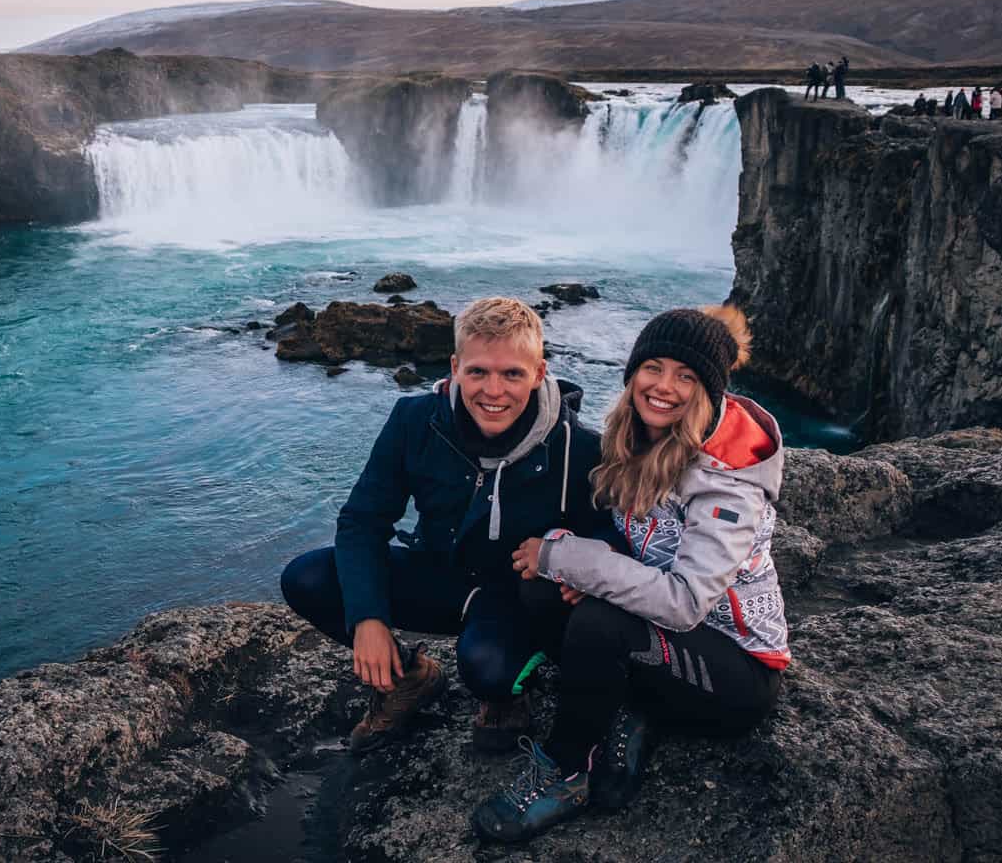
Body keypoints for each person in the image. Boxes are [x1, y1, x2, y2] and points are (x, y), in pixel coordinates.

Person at [472, 306, 789, 845]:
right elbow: (621, 545)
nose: (664, 387)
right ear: (633, 372)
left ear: (709, 391)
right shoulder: (637, 439)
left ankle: (567, 769)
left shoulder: (728, 484)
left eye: (687, 377)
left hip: (735, 672)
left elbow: (686, 602)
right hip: (663, 641)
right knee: (541, 586)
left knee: (596, 619)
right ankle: (630, 712)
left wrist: (574, 560)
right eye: (653, 367)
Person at [281, 297, 623, 754]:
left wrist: (582, 558)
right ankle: (411, 678)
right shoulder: (414, 421)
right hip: (438, 575)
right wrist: (368, 618)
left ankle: (511, 691)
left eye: (512, 374)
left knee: (489, 670)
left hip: (514, 598)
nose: (493, 391)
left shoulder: (578, 448)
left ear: (540, 373)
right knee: (306, 578)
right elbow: (364, 521)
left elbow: (611, 536)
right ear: (455, 367)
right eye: (478, 372)